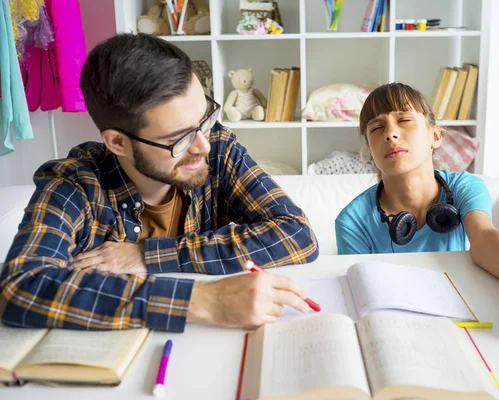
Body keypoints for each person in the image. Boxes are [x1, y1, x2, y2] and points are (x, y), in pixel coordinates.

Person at [0, 33, 319, 333]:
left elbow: (297, 235)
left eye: (204, 119)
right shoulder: (74, 183)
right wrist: (204, 300)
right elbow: (20, 287)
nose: (202, 147)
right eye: (178, 139)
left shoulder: (217, 145)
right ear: (118, 143)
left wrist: (147, 255)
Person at [335, 82, 499, 340]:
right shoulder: (351, 221)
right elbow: (361, 294)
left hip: (467, 321)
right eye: (377, 128)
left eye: (404, 120)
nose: (390, 133)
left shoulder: (464, 186)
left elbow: (484, 237)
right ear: (370, 152)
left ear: (435, 136)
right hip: (398, 331)